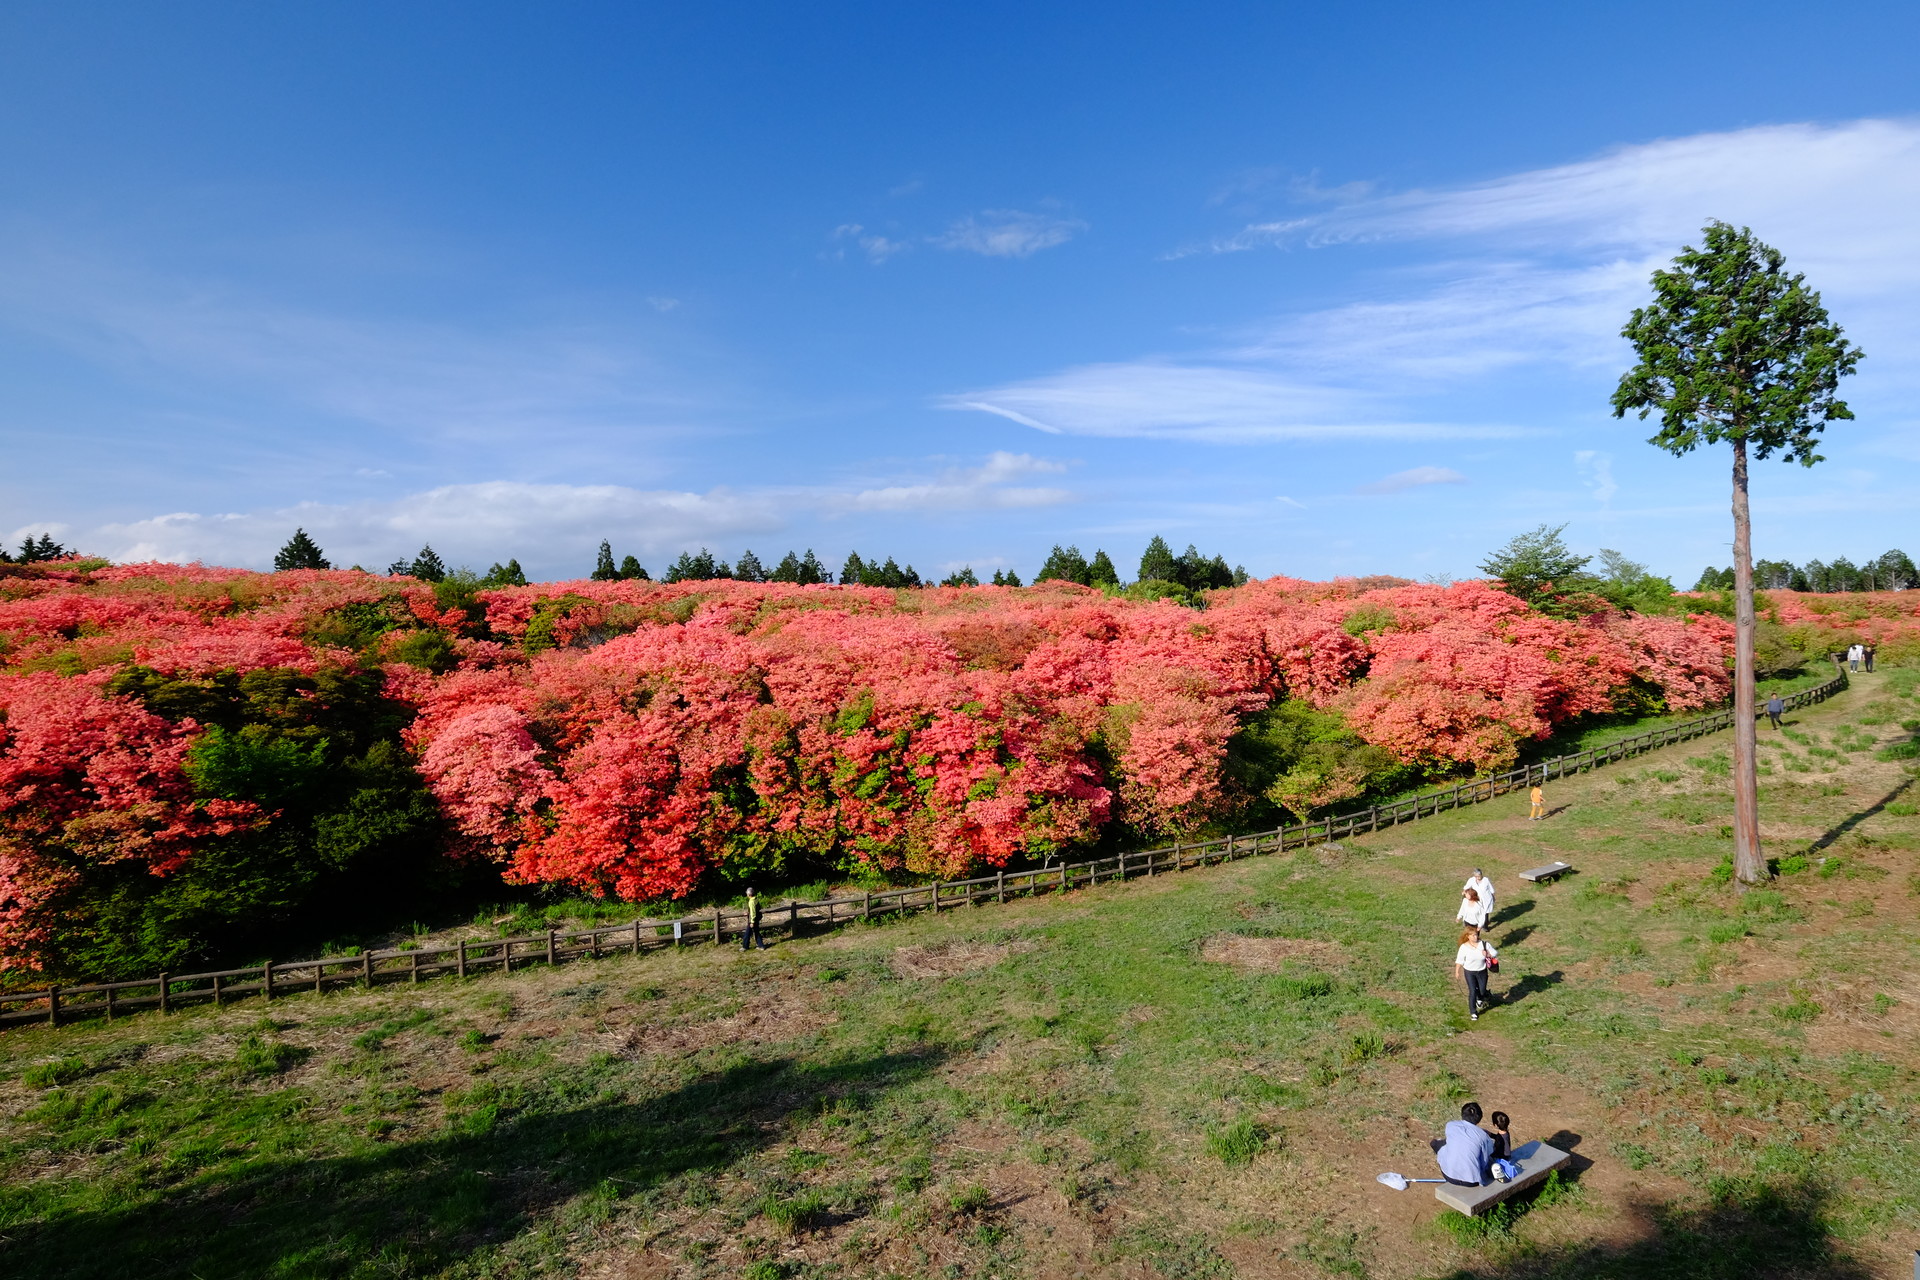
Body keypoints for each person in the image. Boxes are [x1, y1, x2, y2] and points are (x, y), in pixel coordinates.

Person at [1429, 1102, 1512, 1186]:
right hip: (1472, 1181)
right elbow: (1486, 1157)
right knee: (1487, 1158)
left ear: (1462, 1114)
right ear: (1480, 1118)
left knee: (1443, 1144)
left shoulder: (1450, 1125)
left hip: (1448, 1175)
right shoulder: (1483, 1136)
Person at [1454, 925, 1497, 1020]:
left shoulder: (1484, 944)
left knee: (1482, 990)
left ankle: (1480, 998)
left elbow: (1495, 952)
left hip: (1482, 971)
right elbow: (1459, 960)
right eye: (1472, 935)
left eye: (1476, 935)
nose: (1475, 937)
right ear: (1467, 936)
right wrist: (1457, 972)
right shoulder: (1464, 947)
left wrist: (1488, 954)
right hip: (1469, 972)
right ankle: (1473, 1012)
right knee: (1472, 991)